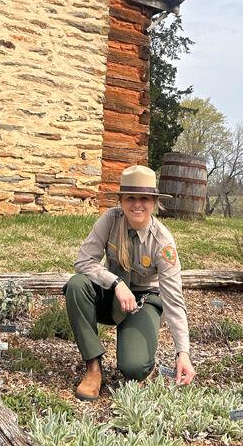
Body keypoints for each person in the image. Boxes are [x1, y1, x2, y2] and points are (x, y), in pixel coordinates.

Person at [64, 165, 195, 401]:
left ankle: (140, 358)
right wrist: (115, 283)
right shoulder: (110, 220)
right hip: (113, 294)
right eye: (130, 198)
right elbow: (83, 261)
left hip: (144, 300)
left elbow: (174, 299)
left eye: (144, 198)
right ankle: (93, 368)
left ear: (154, 202)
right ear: (121, 201)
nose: (137, 204)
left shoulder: (163, 243)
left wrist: (182, 353)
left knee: (134, 369)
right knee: (77, 285)